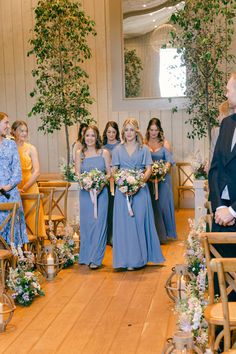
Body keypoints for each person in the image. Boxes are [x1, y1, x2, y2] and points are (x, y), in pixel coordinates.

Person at [112, 118, 165, 270]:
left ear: (137, 131)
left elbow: (149, 169)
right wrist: (122, 183)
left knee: (139, 222)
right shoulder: (117, 150)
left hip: (140, 191)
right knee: (125, 226)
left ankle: (139, 259)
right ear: (123, 132)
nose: (129, 133)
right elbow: (114, 170)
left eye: (132, 129)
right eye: (126, 130)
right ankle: (125, 260)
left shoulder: (144, 149)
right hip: (122, 192)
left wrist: (138, 183)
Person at [75, 125, 111, 269]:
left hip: (101, 193)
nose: (90, 138)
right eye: (87, 135)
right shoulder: (80, 153)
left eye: (92, 135)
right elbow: (77, 173)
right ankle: (85, 256)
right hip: (85, 193)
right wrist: (86, 182)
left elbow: (109, 173)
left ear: (97, 138)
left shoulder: (104, 153)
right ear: (84, 137)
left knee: (99, 224)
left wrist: (101, 183)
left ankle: (96, 258)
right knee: (86, 225)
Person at [209, 73, 236, 233]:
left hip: (231, 210)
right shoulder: (226, 124)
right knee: (218, 258)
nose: (226, 94)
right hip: (221, 215)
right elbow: (215, 169)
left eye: (228, 90)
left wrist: (232, 211)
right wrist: (219, 206)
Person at [11, 120, 46, 238]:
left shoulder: (31, 148)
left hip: (30, 185)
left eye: (26, 131)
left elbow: (37, 172)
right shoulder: (9, 147)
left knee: (31, 218)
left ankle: (34, 247)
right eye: (21, 130)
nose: (24, 133)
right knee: (15, 218)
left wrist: (25, 187)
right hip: (13, 185)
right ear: (13, 131)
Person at [145, 118, 177, 242]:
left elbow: (169, 161)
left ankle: (165, 235)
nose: (153, 132)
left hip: (163, 179)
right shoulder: (144, 142)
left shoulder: (164, 143)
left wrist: (162, 170)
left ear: (159, 131)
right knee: (151, 206)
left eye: (156, 130)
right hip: (148, 179)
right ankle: (154, 236)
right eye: (151, 130)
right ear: (148, 130)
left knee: (163, 206)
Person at [0, 112, 28, 246]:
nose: (8, 126)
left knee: (12, 233)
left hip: (10, 194)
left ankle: (17, 264)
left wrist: (7, 187)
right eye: (5, 122)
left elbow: (17, 172)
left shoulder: (10, 145)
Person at [102, 121, 120, 246]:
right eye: (109, 132)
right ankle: (108, 236)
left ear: (117, 133)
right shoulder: (102, 147)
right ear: (105, 133)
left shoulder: (121, 146)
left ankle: (117, 236)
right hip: (106, 182)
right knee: (107, 209)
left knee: (117, 209)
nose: (111, 134)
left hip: (118, 181)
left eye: (113, 132)